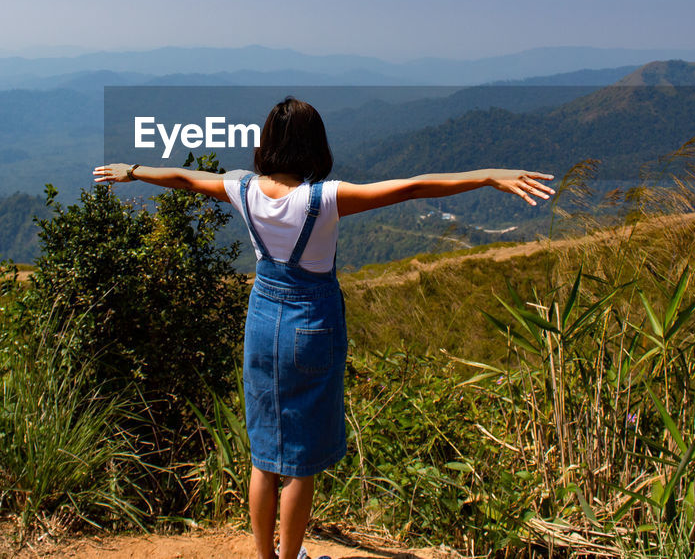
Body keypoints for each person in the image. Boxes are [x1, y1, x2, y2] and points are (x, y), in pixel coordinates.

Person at [94, 96, 555, 559]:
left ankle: (266, 557)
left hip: (261, 321)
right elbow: (412, 187)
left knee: (264, 455)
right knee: (299, 462)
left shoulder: (244, 189)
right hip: (310, 326)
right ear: (315, 145)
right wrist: (488, 176)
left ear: (267, 143)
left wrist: (132, 170)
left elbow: (185, 179)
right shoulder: (325, 199)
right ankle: (292, 556)